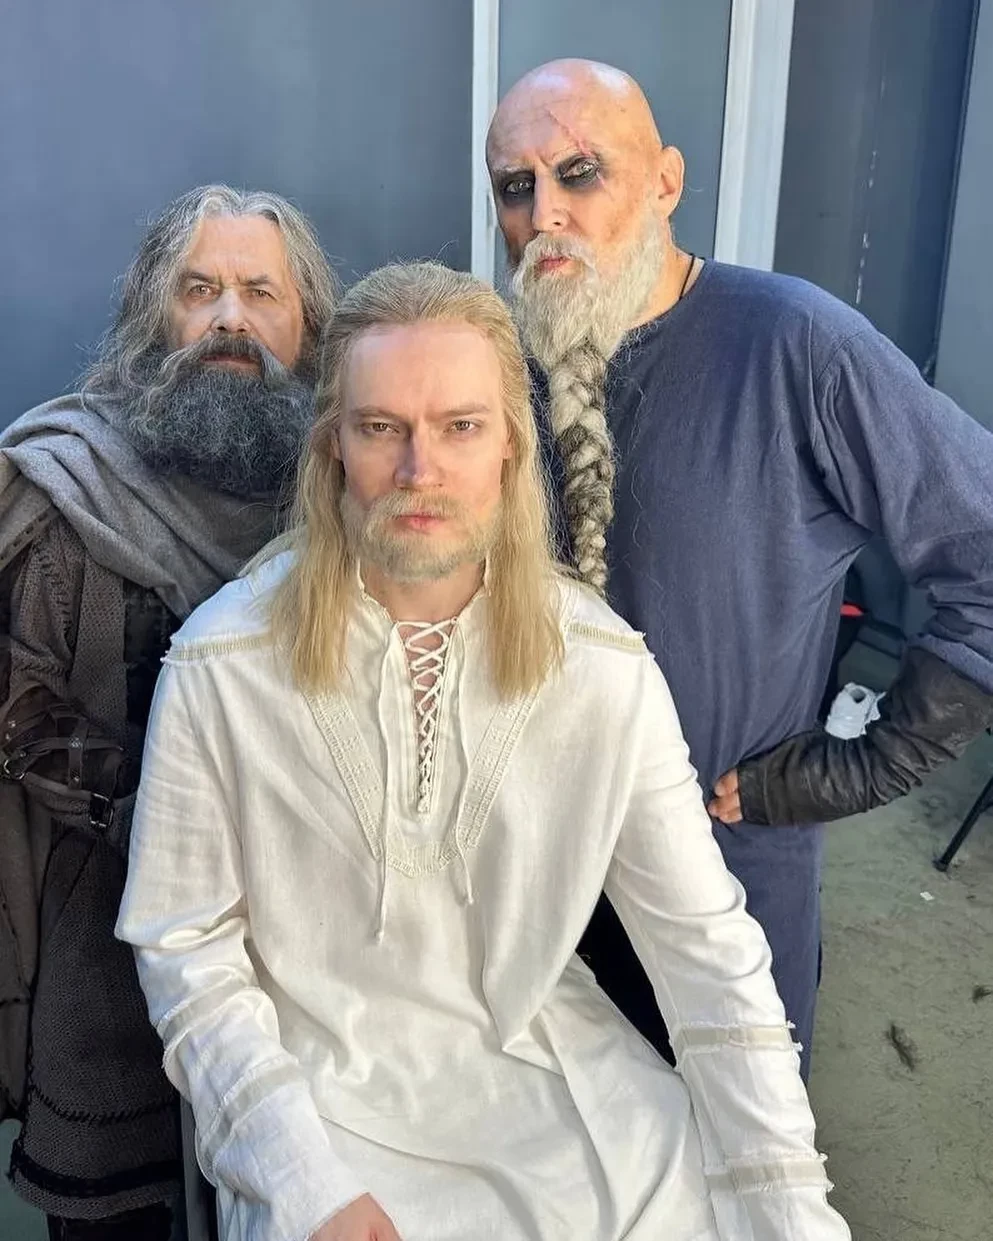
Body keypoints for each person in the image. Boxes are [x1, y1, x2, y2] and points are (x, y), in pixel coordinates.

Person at [116, 261, 850, 1241]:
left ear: (510, 441)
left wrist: (788, 1201)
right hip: (317, 1107)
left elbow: (705, 952)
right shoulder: (221, 664)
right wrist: (296, 1178)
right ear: (333, 443)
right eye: (382, 427)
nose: (419, 470)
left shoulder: (603, 669)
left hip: (558, 1076)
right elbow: (187, 948)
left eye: (459, 426)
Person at [487, 59, 993, 1079]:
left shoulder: (796, 343)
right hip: (534, 895)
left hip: (725, 895)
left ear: (665, 182)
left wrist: (856, 767)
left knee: (732, 1150)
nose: (545, 215)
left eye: (580, 172)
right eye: (515, 186)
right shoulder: (497, 365)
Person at [0, 183, 336, 1238]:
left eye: (260, 292)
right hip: (110, 969)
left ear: (309, 325)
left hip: (317, 965)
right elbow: (14, 698)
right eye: (200, 290)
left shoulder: (355, 490)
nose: (231, 318)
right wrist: (160, 815)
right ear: (156, 317)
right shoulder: (71, 485)